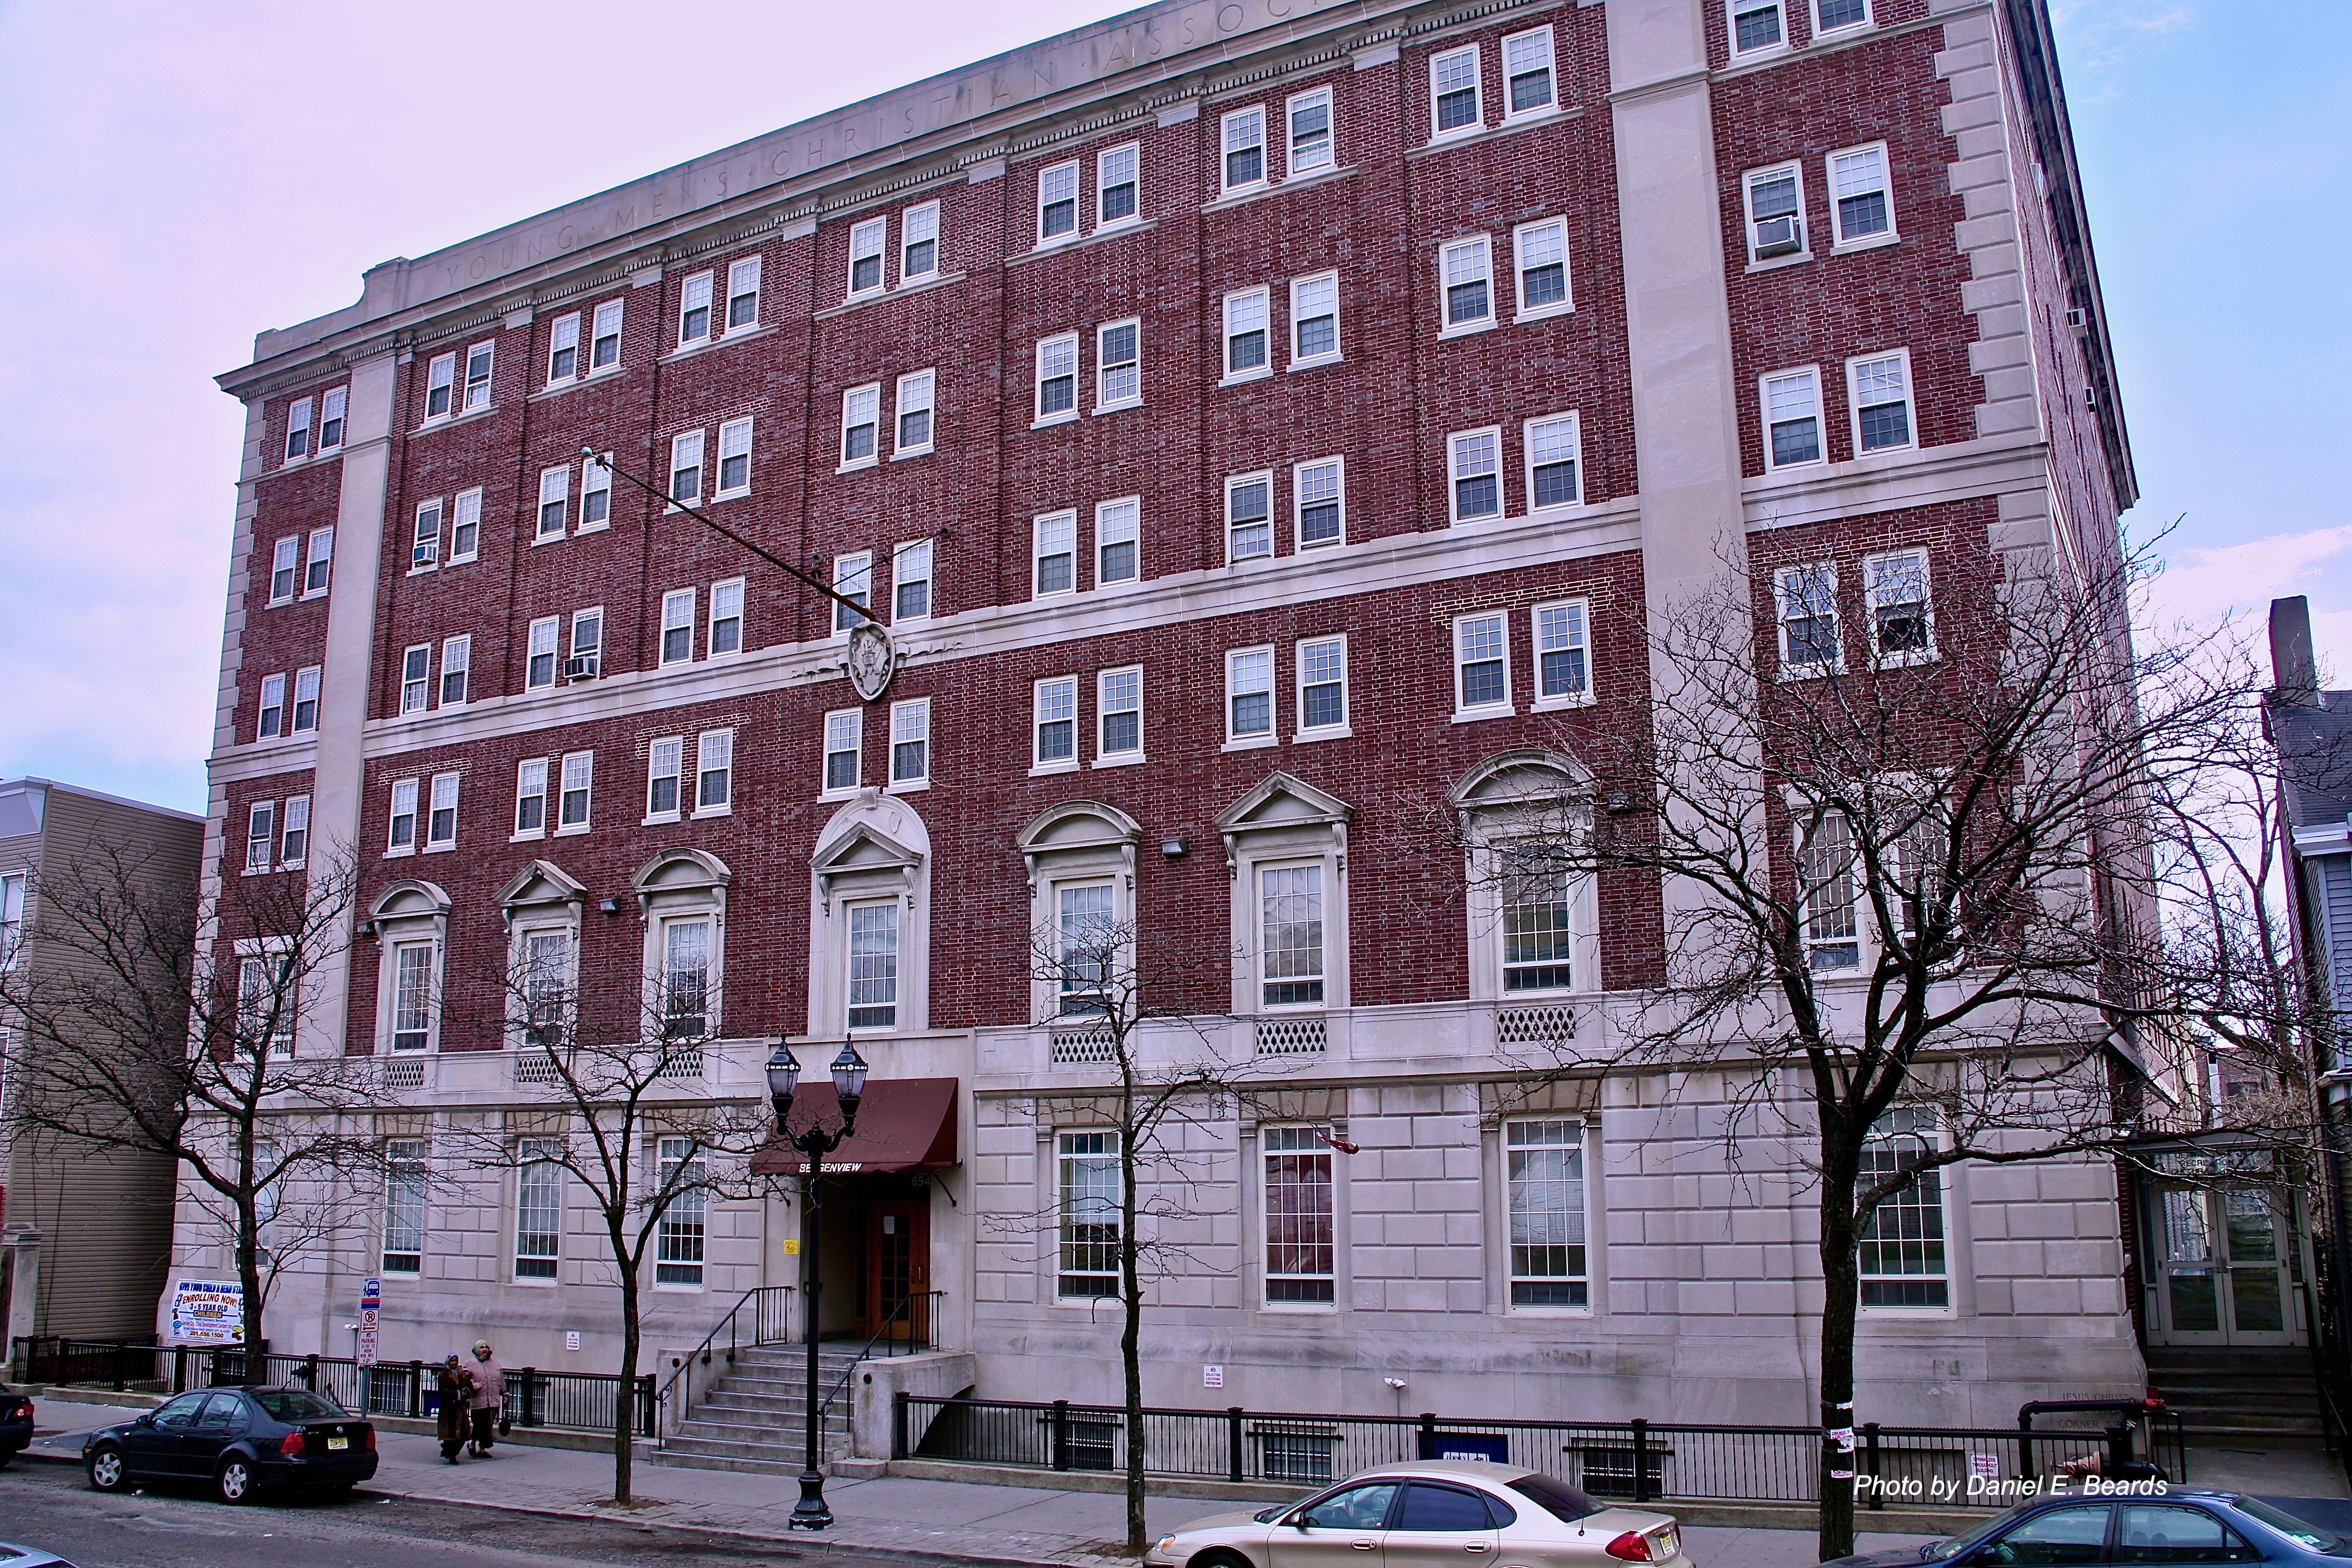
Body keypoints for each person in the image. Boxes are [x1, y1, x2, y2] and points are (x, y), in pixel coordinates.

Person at [467, 1340, 506, 1457]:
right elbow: (464, 1377)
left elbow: (501, 1379)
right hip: (478, 1400)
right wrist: (472, 1383)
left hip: (493, 1400)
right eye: (481, 1348)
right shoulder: (470, 1363)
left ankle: (482, 1449)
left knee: (488, 1426)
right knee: (479, 1425)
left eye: (486, 1347)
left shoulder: (495, 1363)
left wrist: (505, 1393)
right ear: (477, 1350)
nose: (484, 1350)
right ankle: (472, 1443)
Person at [434, 1355, 474, 1463]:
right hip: (449, 1409)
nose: (455, 1363)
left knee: (462, 1436)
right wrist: (456, 1394)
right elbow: (442, 1391)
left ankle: (452, 1452)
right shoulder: (443, 1375)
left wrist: (466, 1392)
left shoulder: (462, 1374)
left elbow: (470, 1387)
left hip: (461, 1409)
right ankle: (451, 1454)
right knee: (450, 1435)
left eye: (456, 1361)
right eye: (452, 1361)